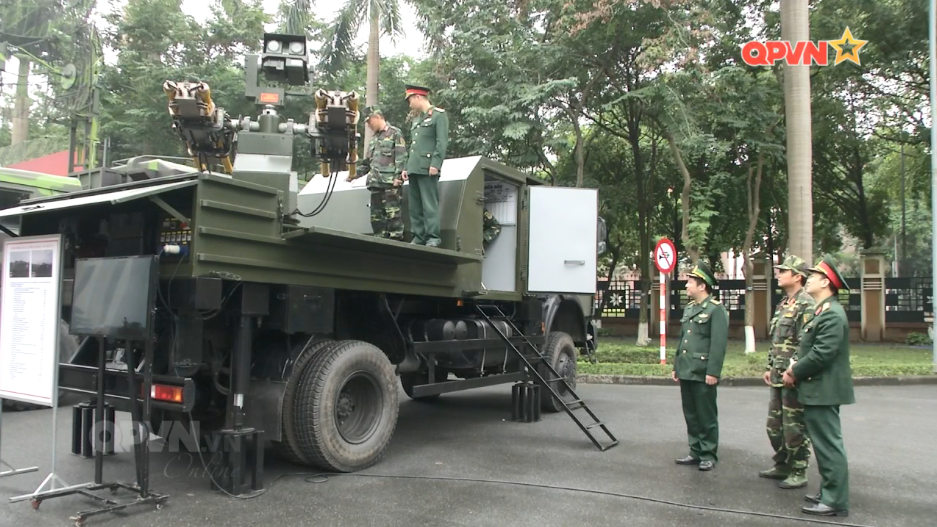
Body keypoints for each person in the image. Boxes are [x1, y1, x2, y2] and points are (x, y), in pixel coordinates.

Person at [783, 254, 854, 517]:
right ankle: (828, 491)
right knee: (824, 445)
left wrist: (793, 370)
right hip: (817, 389)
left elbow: (822, 354)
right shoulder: (822, 311)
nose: (808, 279)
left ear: (825, 282)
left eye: (812, 276)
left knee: (828, 445)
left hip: (824, 390)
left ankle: (835, 499)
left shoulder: (832, 314)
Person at [760, 255, 816, 489]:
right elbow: (777, 339)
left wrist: (793, 371)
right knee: (774, 426)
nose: (779, 274)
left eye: (784, 271)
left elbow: (806, 342)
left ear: (797, 276)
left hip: (792, 377)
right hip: (777, 374)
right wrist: (769, 365)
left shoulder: (806, 304)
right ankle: (782, 463)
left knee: (794, 426)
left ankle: (798, 468)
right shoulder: (784, 303)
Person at [673, 261, 728, 471]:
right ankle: (695, 450)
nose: (687, 285)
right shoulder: (690, 309)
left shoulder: (716, 310)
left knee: (706, 415)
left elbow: (718, 344)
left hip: (704, 371)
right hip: (687, 369)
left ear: (702, 285)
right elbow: (683, 339)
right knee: (691, 413)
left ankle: (708, 453)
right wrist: (677, 365)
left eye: (690, 282)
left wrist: (713, 371)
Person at [349, 106, 407, 241]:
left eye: (369, 122)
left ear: (377, 117)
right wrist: (354, 174)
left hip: (389, 183)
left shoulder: (395, 133)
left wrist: (398, 177)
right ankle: (379, 240)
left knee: (393, 216)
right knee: (376, 217)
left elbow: (401, 156)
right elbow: (367, 163)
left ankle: (396, 241)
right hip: (375, 182)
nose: (369, 125)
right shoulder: (374, 139)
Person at [401, 84, 449, 247]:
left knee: (429, 204)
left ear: (418, 97)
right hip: (415, 167)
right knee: (415, 206)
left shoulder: (438, 116)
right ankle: (419, 235)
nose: (409, 104)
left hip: (428, 168)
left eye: (410, 100)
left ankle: (433, 237)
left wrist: (435, 163)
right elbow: (413, 146)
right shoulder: (417, 119)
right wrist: (407, 167)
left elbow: (441, 142)